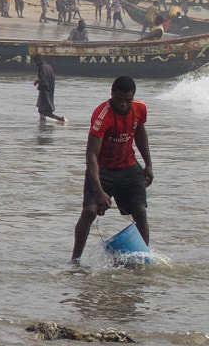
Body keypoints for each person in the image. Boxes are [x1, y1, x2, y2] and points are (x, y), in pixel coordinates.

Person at [74, 76, 152, 262]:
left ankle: (143, 257)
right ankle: (75, 259)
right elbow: (91, 155)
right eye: (119, 99)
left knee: (140, 211)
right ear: (111, 95)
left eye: (128, 100)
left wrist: (148, 164)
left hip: (129, 167)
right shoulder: (102, 116)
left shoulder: (140, 108)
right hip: (103, 169)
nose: (124, 104)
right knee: (90, 211)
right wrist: (100, 191)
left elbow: (140, 133)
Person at [33, 53, 64, 125]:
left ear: (38, 61)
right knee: (42, 110)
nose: (35, 64)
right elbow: (49, 78)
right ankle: (42, 125)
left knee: (43, 111)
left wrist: (39, 87)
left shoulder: (42, 67)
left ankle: (60, 119)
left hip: (45, 91)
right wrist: (38, 81)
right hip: (50, 90)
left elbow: (44, 80)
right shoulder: (48, 67)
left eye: (35, 61)